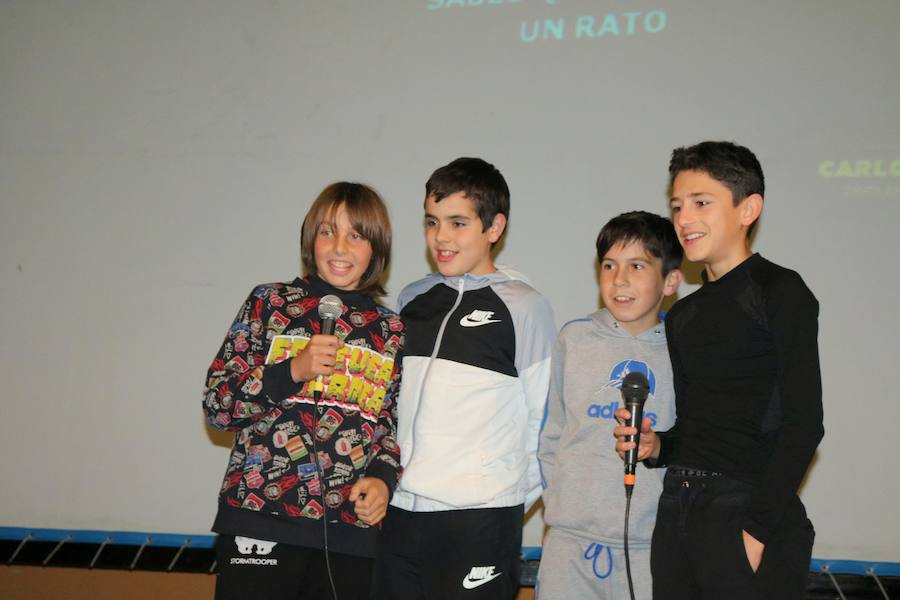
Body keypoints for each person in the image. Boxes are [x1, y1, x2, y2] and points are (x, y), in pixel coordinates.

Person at [614, 141, 824, 599]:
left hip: (746, 513)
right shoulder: (684, 315)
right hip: (678, 512)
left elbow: (804, 423)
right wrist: (657, 446)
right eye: (677, 206)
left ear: (748, 208)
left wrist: (756, 531)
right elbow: (699, 427)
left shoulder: (780, 291)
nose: (684, 219)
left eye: (701, 203)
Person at [202, 182, 404, 600]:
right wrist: (291, 370)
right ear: (310, 239)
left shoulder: (391, 330)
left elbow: (392, 427)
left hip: (350, 534)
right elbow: (218, 406)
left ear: (376, 249)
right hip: (260, 519)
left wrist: (383, 480)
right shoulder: (269, 303)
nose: (339, 247)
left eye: (356, 235)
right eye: (327, 231)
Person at [374, 157, 556, 600]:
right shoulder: (413, 299)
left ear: (494, 228)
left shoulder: (525, 307)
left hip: (479, 520)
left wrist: (500, 497)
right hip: (400, 512)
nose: (440, 237)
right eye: (432, 222)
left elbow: (544, 423)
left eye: (458, 223)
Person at [537, 211, 683, 599]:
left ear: (670, 280)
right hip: (569, 545)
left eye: (637, 266)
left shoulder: (684, 351)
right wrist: (562, 504)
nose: (619, 279)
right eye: (609, 265)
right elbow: (551, 433)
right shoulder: (576, 339)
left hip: (648, 548)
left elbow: (691, 443)